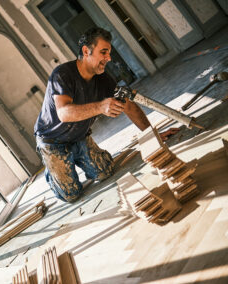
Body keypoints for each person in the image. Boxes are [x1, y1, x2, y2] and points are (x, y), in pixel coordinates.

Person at [34, 27, 177, 202]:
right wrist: (101, 106)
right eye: (103, 52)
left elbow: (129, 106)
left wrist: (153, 136)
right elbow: (64, 113)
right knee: (71, 195)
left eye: (109, 53)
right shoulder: (62, 75)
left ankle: (77, 154)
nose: (108, 58)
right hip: (52, 141)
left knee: (106, 171)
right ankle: (53, 170)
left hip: (79, 136)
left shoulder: (103, 79)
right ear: (86, 51)